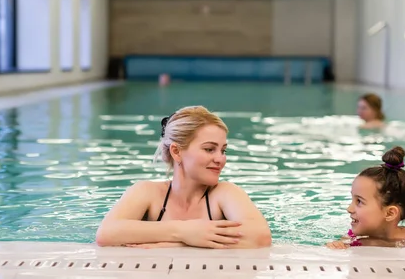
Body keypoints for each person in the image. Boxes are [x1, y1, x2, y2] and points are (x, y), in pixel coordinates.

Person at [95, 105, 272, 249]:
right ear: (177, 151)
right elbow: (106, 234)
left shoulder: (224, 194)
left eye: (223, 150)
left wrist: (176, 244)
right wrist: (185, 231)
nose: (221, 159)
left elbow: (260, 237)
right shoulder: (148, 193)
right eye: (209, 149)